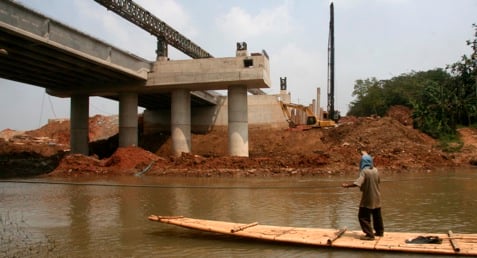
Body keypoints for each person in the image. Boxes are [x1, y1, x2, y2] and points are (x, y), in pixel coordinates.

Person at [342, 151, 384, 240]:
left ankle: (369, 235)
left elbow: (358, 183)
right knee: (377, 215)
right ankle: (379, 232)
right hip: (377, 197)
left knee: (363, 216)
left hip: (368, 198)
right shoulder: (375, 170)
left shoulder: (364, 171)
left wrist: (347, 186)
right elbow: (378, 181)